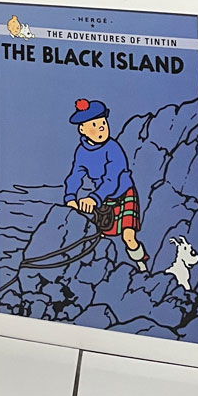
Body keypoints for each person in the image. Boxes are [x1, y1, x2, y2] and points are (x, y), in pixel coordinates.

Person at [64, 98, 147, 272]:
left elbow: (112, 179)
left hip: (123, 193)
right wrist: (71, 197)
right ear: (82, 129)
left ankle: (142, 265)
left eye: (103, 123)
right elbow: (75, 175)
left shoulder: (113, 148)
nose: (101, 128)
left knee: (128, 236)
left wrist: (93, 198)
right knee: (99, 235)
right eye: (94, 124)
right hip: (104, 199)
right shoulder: (81, 152)